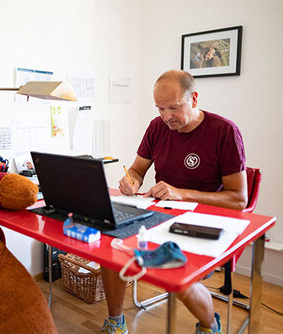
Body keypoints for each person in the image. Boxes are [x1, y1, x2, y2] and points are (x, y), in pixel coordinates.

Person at [100, 69, 247, 334]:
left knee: (176, 270)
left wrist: (181, 193)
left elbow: (238, 200)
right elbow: (136, 170)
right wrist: (131, 181)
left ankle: (210, 324)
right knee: (111, 250)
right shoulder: (157, 127)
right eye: (160, 109)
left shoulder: (224, 131)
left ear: (194, 99)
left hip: (204, 222)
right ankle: (115, 322)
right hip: (160, 215)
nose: (167, 117)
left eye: (173, 107)